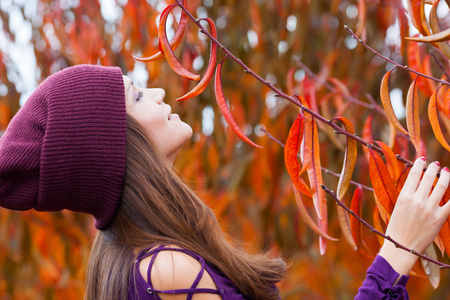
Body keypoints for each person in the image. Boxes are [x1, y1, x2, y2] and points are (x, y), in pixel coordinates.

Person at [0, 64, 448, 300]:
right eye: (137, 96)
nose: (157, 93)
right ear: (119, 146)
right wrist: (395, 254)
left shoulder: (130, 263)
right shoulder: (167, 272)